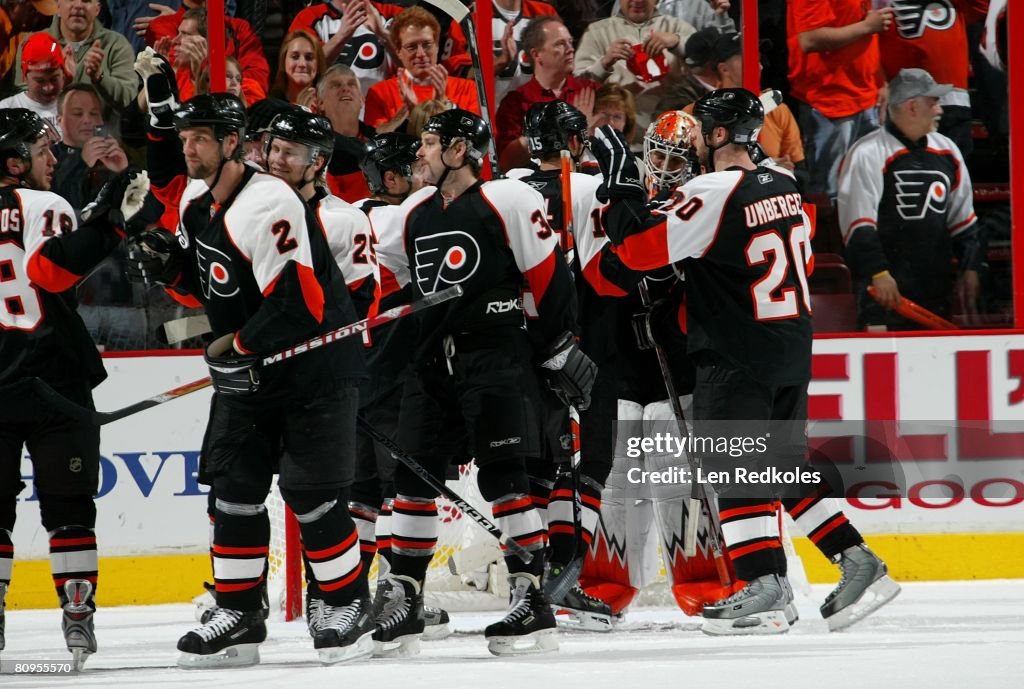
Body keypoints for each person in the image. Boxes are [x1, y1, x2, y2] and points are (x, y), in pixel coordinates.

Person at [591, 88, 900, 634]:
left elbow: (637, 251)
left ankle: (763, 583)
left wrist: (620, 189)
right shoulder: (784, 184)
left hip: (736, 351)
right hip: (789, 347)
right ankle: (856, 560)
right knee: (775, 467)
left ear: (714, 137)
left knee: (732, 469)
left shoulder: (712, 190)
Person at [123, 93, 374, 666]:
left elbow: (300, 303)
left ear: (233, 143)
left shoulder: (269, 203)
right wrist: (167, 264)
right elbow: (206, 288)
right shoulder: (194, 201)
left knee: (311, 497)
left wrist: (237, 346)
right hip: (254, 371)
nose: (189, 149)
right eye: (185, 139)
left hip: (312, 369)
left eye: (202, 139)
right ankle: (239, 613)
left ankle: (346, 602)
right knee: (233, 492)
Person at [370, 108, 592, 657]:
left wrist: (556, 349)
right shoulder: (415, 209)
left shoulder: (509, 200)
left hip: (496, 358)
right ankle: (406, 597)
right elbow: (396, 281)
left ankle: (530, 597)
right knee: (412, 482)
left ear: (458, 150)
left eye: (427, 143)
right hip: (432, 364)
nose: (417, 153)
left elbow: (550, 283)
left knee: (505, 480)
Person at [0, 107, 148, 669]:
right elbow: (54, 274)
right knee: (69, 507)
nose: (53, 157)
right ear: (14, 162)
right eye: (41, 151)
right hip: (53, 378)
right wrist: (109, 223)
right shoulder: (46, 205)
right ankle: (78, 613)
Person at [508, 99, 618, 631]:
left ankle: (529, 583)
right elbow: (604, 276)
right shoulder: (588, 188)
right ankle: (562, 579)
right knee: (589, 462)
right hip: (578, 341)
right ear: (573, 142)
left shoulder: (504, 186)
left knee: (536, 464)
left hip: (517, 344)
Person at [839, 68, 980, 331]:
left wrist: (970, 268)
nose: (940, 110)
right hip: (884, 291)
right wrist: (878, 273)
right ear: (912, 106)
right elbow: (858, 225)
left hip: (936, 288)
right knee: (882, 367)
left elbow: (963, 220)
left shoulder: (948, 151)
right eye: (933, 102)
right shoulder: (866, 153)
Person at [787, 0, 894, 197]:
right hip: (829, 102)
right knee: (829, 195)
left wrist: (880, 80)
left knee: (868, 191)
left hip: (867, 98)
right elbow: (809, 39)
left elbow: (867, 35)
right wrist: (866, 26)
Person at [573, 0, 696, 138]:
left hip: (671, 135)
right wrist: (605, 63)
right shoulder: (596, 31)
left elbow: (707, 69)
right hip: (613, 134)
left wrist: (678, 42)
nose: (637, 1)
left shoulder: (678, 27)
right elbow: (577, 85)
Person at [494, 15, 600, 168]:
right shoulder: (515, 103)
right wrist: (572, 127)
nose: (570, 49)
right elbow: (506, 164)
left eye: (570, 42)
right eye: (560, 44)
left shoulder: (591, 91)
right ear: (537, 54)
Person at [363, 7, 480, 132]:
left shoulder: (469, 89)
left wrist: (445, 105)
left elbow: (476, 141)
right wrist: (407, 112)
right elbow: (375, 142)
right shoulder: (380, 93)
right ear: (398, 52)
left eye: (427, 44)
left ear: (437, 46)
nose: (421, 53)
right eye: (412, 47)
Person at [15, 0, 138, 111]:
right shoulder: (32, 43)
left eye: (86, 0)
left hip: (100, 132)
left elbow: (126, 98)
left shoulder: (116, 44)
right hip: (47, 132)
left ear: (97, 9)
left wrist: (99, 77)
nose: (78, 5)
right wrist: (57, 79)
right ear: (57, 6)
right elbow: (23, 102)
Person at [0, 32, 65, 132]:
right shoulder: (6, 110)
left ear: (63, 73)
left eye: (54, 79)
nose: (48, 87)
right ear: (25, 77)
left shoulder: (76, 107)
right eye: (40, 81)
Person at [269, 30, 327, 107]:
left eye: (309, 58)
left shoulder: (328, 106)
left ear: (319, 64)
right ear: (283, 62)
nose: (302, 64)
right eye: (295, 57)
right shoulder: (270, 107)